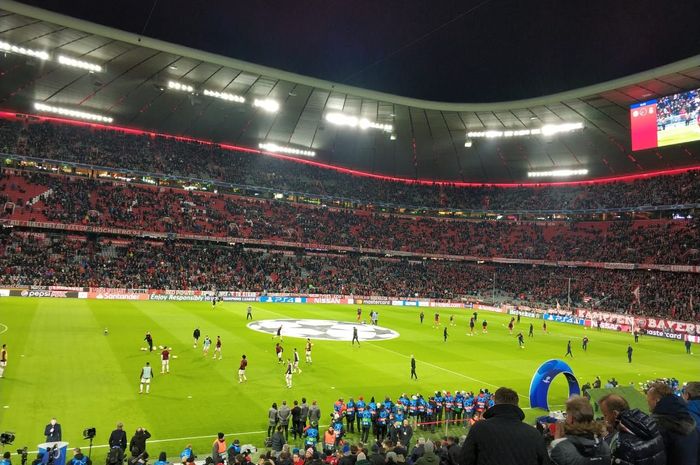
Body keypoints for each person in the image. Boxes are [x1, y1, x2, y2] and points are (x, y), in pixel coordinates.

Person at [459, 387, 548, 465]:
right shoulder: (533, 433)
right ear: (517, 404)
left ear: (495, 401)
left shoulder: (479, 428)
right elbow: (544, 461)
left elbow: (464, 460)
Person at [599, 393, 665, 465]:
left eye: (605, 415)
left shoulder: (623, 443)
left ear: (615, 413)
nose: (605, 419)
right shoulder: (651, 424)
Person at [646, 382, 699, 465]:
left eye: (648, 400)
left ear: (656, 401)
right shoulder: (688, 416)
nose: (648, 403)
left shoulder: (657, 424)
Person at [548, 395, 610, 465]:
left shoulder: (560, 448)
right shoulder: (604, 446)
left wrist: (557, 442)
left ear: (571, 419)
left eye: (567, 415)